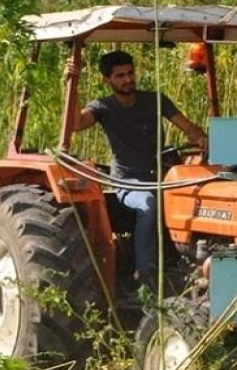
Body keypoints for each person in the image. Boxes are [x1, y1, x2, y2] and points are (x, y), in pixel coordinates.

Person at [65, 50, 208, 294]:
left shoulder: (155, 100)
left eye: (130, 73)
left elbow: (188, 128)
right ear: (107, 80)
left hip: (161, 177)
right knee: (148, 205)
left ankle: (190, 267)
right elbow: (77, 124)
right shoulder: (103, 107)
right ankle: (146, 279)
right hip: (129, 183)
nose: (127, 79)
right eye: (120, 76)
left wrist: (202, 139)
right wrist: (72, 84)